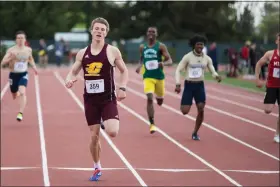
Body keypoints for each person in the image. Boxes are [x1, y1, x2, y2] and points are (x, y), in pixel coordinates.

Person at [64, 17, 128, 181]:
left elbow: (124, 71)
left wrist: (122, 88)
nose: (99, 31)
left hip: (108, 98)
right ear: (91, 31)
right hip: (90, 100)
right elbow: (72, 72)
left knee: (113, 131)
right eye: (97, 28)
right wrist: (69, 79)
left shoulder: (112, 51)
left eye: (102, 29)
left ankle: (105, 121)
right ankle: (97, 167)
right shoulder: (82, 53)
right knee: (94, 136)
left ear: (106, 33)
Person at [174, 34, 221, 141]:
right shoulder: (188, 57)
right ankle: (186, 104)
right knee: (185, 111)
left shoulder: (207, 59)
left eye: (202, 45)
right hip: (189, 85)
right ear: (194, 45)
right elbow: (178, 70)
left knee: (201, 108)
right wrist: (177, 83)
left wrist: (216, 76)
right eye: (198, 44)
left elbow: (212, 70)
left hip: (199, 85)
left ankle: (195, 132)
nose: (200, 46)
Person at [135, 26, 173, 134]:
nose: (151, 33)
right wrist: (139, 66)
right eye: (149, 32)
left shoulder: (160, 46)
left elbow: (170, 60)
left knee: (160, 101)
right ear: (147, 34)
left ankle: (160, 97)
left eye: (153, 32)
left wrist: (163, 63)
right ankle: (152, 123)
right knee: (150, 98)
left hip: (159, 77)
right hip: (148, 76)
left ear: (156, 34)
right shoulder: (142, 47)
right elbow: (142, 58)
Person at [1, 30, 38, 121]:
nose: (20, 40)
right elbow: (3, 62)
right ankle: (16, 93)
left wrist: (34, 67)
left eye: (22, 38)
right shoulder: (11, 50)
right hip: (13, 75)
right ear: (16, 40)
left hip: (23, 74)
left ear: (25, 39)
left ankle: (20, 113)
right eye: (19, 38)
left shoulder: (28, 50)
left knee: (22, 92)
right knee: (14, 93)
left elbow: (30, 59)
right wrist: (11, 57)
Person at [255, 33, 280, 143]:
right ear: (276, 41)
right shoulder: (270, 54)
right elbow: (258, 64)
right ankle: (268, 97)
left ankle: (277, 134)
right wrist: (257, 79)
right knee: (267, 110)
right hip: (271, 86)